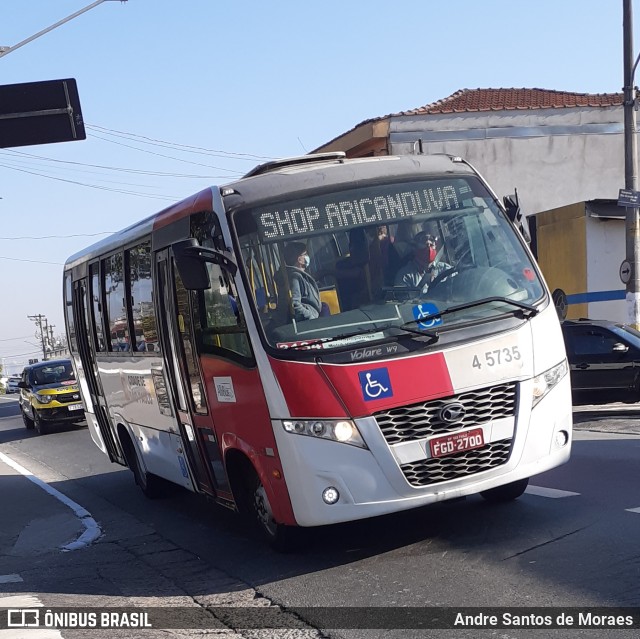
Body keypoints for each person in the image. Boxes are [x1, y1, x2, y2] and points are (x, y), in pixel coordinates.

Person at [282, 241, 326, 321]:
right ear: (299, 259)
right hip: (309, 323)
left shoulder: (300, 276)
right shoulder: (295, 277)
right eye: (305, 254)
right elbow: (294, 305)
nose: (308, 256)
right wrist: (311, 317)